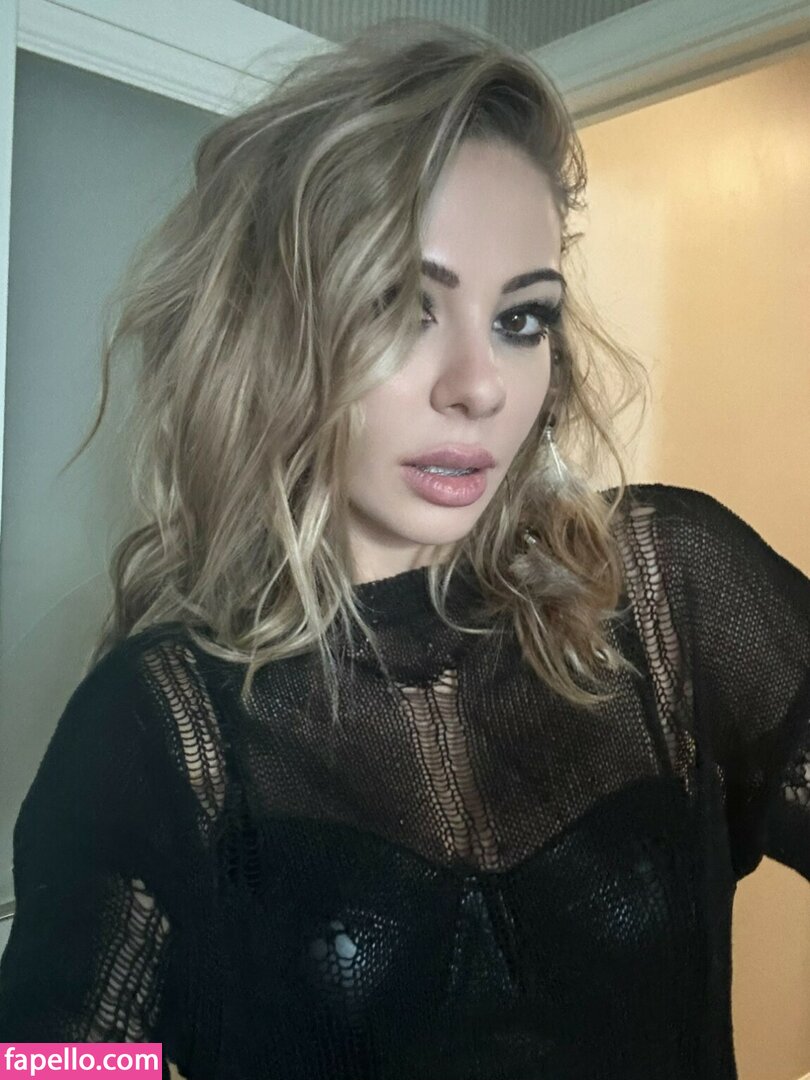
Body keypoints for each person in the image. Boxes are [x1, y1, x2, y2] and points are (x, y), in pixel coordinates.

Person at [0, 16, 808, 1080]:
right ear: (274, 334)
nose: (479, 387)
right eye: (399, 307)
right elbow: (52, 1064)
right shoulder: (160, 727)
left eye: (521, 320)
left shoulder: (667, 593)